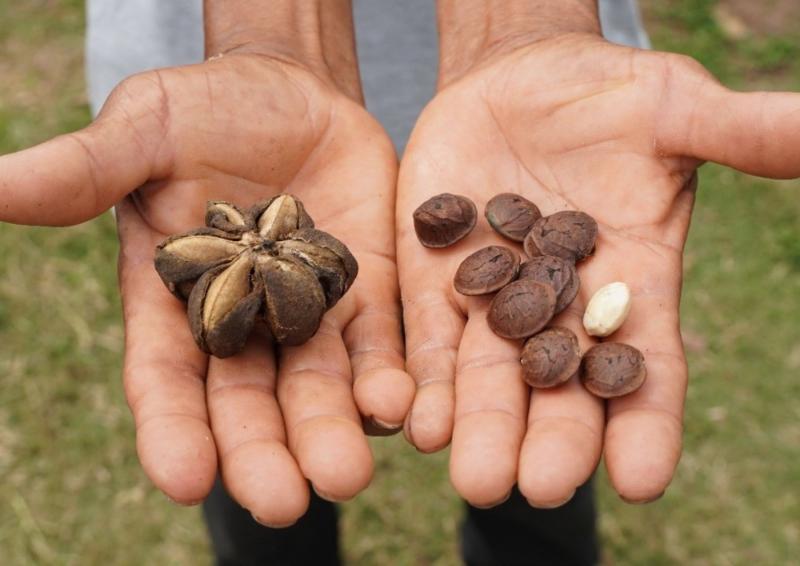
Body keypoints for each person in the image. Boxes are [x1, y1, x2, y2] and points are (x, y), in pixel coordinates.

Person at [1, 1, 798, 564]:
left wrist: (526, 25)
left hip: (542, 121)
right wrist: (272, 42)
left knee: (532, 445)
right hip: (228, 99)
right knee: (258, 451)